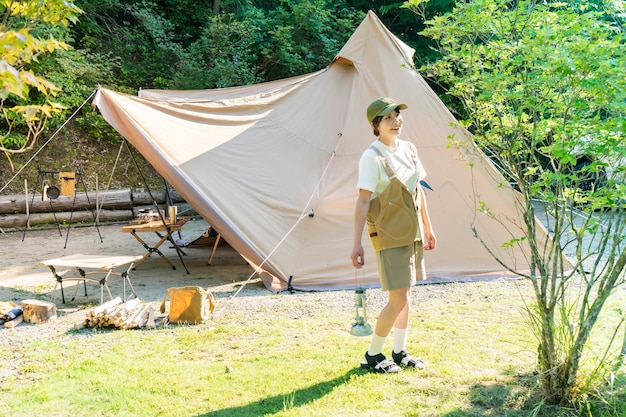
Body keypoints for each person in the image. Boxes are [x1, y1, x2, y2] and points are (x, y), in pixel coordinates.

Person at [351, 97, 437, 373]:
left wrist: (428, 226)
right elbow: (363, 200)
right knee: (397, 297)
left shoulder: (409, 149)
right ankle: (373, 354)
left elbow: (418, 191)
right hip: (388, 232)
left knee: (406, 293)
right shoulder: (371, 156)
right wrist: (356, 243)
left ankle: (399, 351)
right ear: (376, 124)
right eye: (388, 117)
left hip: (412, 231)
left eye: (398, 115)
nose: (396, 120)